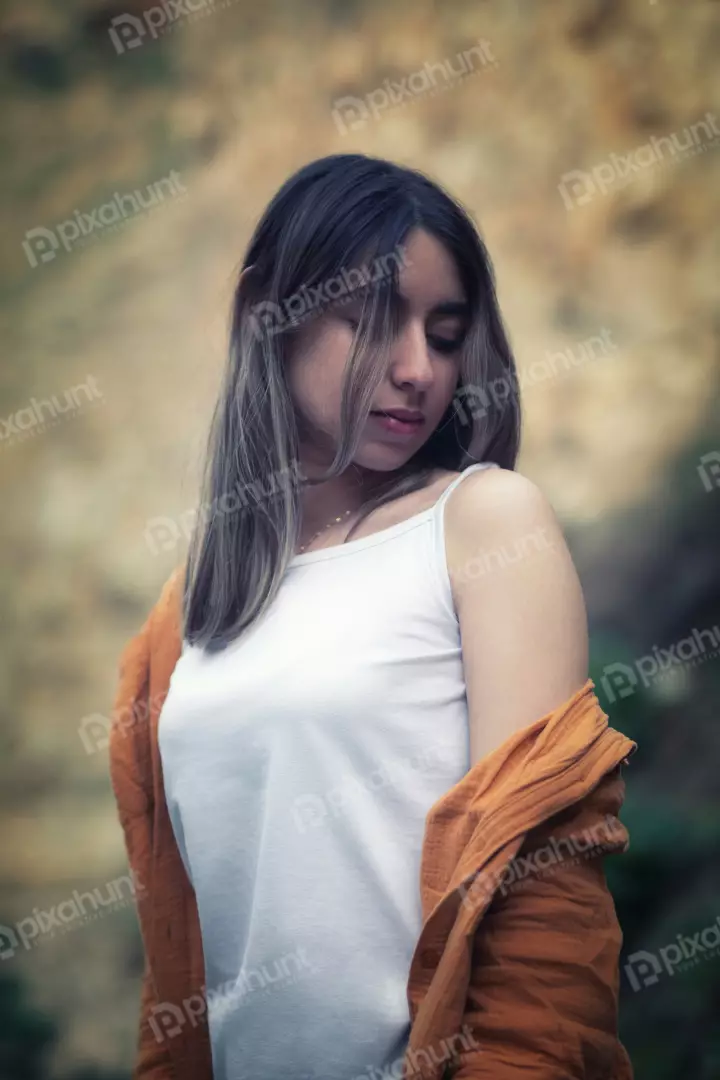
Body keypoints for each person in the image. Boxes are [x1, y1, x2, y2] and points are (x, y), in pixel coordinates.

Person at [109, 154, 637, 1080]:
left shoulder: (483, 523)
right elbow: (178, 961)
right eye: (372, 323)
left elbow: (542, 895)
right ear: (266, 316)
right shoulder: (192, 609)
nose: (417, 369)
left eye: (445, 333)